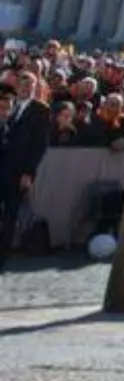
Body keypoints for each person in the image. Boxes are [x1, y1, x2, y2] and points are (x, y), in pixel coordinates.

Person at [0, 76, 51, 272]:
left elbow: (39, 145)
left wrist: (29, 172)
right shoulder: (9, 105)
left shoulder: (41, 110)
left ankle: (2, 257)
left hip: (19, 171)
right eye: (23, 84)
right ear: (17, 86)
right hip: (2, 165)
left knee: (10, 215)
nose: (27, 88)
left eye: (31, 85)